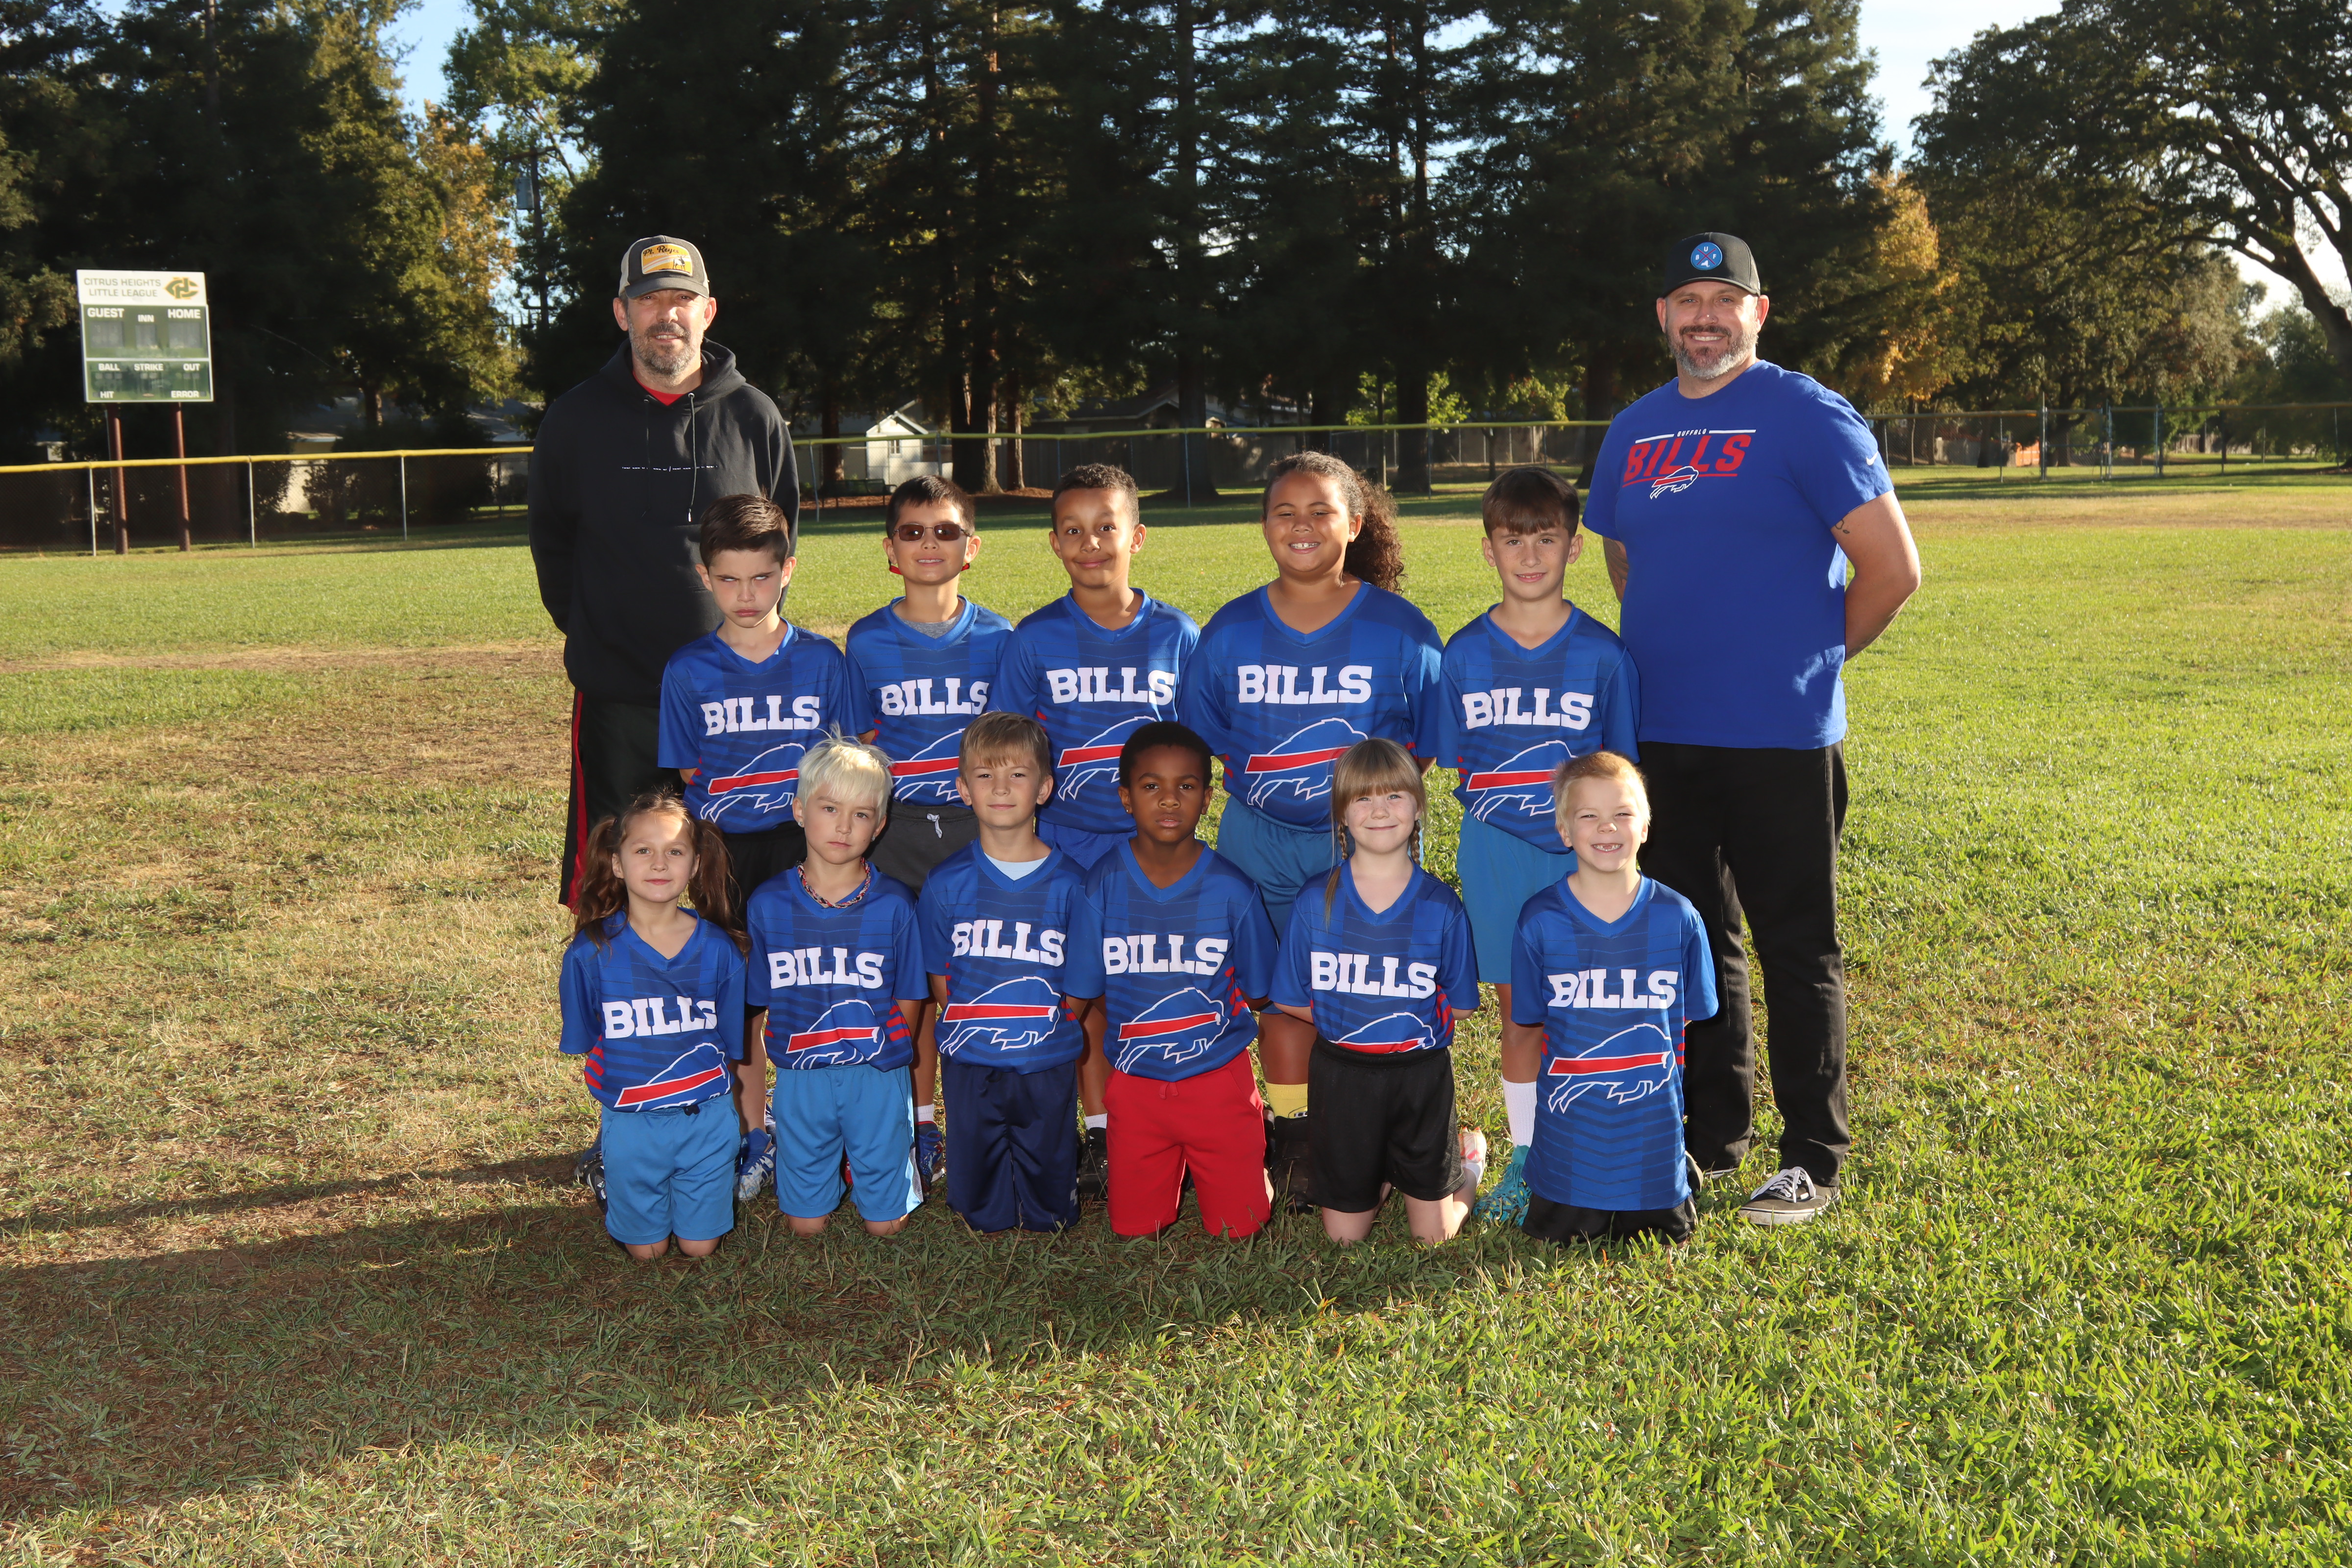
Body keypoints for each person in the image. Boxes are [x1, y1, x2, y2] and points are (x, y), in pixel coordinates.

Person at [1583, 232, 1920, 1225]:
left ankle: (1812, 1155)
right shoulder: (1635, 429)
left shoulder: (1808, 415)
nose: (1704, 318)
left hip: (1780, 735)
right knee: (1696, 939)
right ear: (1662, 317)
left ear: (1758, 314)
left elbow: (1893, 569)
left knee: (1796, 945)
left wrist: (1805, 663)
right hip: (1664, 735)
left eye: (1723, 300)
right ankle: (1710, 1137)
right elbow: (1625, 559)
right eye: (1687, 301)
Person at [1179, 451, 1442, 1208]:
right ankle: (1297, 1136)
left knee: (1368, 988)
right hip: (1258, 836)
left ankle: (1382, 1132)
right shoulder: (1231, 628)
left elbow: (1424, 738)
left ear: (1354, 524)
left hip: (1366, 843)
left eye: (1321, 511)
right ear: (1264, 524)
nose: (1302, 526)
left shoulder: (1399, 627)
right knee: (1275, 994)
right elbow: (1206, 736)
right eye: (1284, 512)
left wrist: (1373, 809)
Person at [528, 235, 799, 908]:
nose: (666, 315)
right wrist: (600, 629)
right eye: (649, 300)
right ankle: (617, 981)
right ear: (622, 313)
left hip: (734, 694)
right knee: (616, 876)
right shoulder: (576, 418)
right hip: (621, 693)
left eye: (682, 299)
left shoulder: (754, 415)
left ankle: (733, 983)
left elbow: (780, 539)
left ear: (708, 311)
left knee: (734, 880)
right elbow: (553, 545)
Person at [1430, 466, 1640, 1225]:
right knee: (1522, 1014)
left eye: (1546, 539)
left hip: (1584, 859)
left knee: (1587, 1011)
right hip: (1496, 851)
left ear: (1574, 548)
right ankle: (1526, 1157)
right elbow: (1455, 761)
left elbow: (1621, 773)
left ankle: (1590, 1144)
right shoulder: (1463, 655)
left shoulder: (1604, 655)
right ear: (1488, 550)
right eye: (1513, 540)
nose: (1529, 556)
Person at [990, 464, 1198, 1202]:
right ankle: (1102, 1130)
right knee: (1079, 991)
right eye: (1073, 531)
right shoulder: (1035, 638)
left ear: (1136, 537)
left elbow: (1197, 746)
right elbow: (1009, 745)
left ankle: (1170, 1123)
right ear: (1054, 543)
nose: (1091, 543)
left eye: (1106, 527)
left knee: (1157, 983)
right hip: (1068, 841)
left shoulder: (1177, 634)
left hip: (1152, 847)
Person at [845, 475, 1013, 1191]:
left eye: (945, 531)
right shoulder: (866, 639)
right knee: (903, 984)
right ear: (891, 550)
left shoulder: (1000, 638)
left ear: (971, 548)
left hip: (975, 829)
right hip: (898, 829)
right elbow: (859, 745)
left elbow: (1009, 746)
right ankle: (918, 1122)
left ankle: (987, 1115)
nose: (929, 544)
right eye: (912, 532)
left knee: (971, 980)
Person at [1269, 739, 1485, 1245]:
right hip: (1342, 1077)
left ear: (1419, 806)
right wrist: (1348, 1022)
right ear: (1342, 813)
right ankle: (1380, 1170)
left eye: (1394, 796)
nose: (1380, 810)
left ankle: (1469, 1165)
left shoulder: (1440, 906)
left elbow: (1462, 1004)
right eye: (1363, 798)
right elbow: (1289, 996)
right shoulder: (1315, 901)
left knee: (1433, 1237)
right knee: (1344, 1239)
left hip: (1419, 1079)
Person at [1509, 751, 1716, 1244]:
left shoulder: (1679, 918)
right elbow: (1533, 1019)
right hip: (1569, 1149)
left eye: (1623, 813)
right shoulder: (1540, 920)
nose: (1607, 827)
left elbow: (1686, 1018)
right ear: (1564, 830)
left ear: (1646, 825)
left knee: (1659, 1238)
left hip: (1651, 1149)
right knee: (1560, 1238)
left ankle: (1677, 1167)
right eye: (1589, 816)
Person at [1086, 722, 1280, 1240]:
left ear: (1208, 799)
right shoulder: (1102, 883)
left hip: (1217, 1081)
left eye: (1187, 786)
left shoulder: (1233, 889)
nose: (1169, 799)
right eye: (1152, 786)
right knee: (1134, 1227)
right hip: (1135, 1083)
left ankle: (1251, 1159)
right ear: (1126, 797)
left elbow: (1260, 989)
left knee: (1240, 1227)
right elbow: (1089, 985)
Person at [916, 712, 1106, 1234]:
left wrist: (1047, 1030)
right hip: (970, 1055)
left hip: (1045, 1055)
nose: (1001, 788)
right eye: (985, 775)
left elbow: (1081, 983)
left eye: (1017, 775)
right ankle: (985, 1200)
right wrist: (975, 1022)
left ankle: (1047, 1200)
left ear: (1044, 788)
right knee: (977, 1199)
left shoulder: (1074, 884)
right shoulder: (945, 882)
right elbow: (940, 977)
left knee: (1049, 1192)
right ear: (963, 789)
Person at [742, 735, 930, 1237]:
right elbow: (758, 1001)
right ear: (799, 810)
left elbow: (911, 993)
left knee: (885, 1226)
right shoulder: (768, 903)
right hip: (802, 1073)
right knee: (806, 1225)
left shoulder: (895, 903)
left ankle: (878, 1168)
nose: (844, 826)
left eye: (861, 814)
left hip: (876, 1073)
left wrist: (889, 1054)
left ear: (880, 824)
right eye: (829, 808)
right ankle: (821, 1164)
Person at [556, 790, 748, 1261]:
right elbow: (587, 1038)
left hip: (705, 1117)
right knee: (648, 1252)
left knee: (700, 1247)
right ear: (617, 863)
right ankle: (609, 1172)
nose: (660, 864)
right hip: (632, 1120)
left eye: (675, 852)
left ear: (695, 865)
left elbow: (730, 1044)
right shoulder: (591, 953)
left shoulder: (719, 950)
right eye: (643, 850)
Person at [659, 494, 850, 907]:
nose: (746, 595)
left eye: (761, 577)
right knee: (728, 941)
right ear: (705, 577)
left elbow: (845, 756)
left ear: (787, 571)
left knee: (799, 940)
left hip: (804, 839)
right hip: (719, 841)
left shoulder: (823, 660)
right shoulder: (687, 669)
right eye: (729, 579)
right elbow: (689, 769)